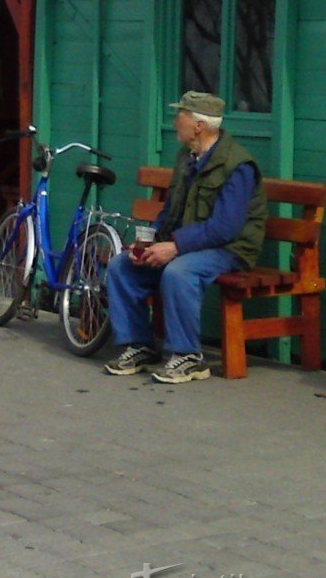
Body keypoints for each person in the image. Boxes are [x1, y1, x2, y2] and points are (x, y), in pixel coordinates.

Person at [103, 91, 268, 384]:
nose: (175, 120)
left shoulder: (238, 165)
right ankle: (139, 344)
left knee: (179, 272)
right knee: (122, 266)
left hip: (229, 249)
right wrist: (149, 243)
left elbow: (225, 228)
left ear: (199, 126)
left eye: (180, 114)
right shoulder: (187, 157)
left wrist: (176, 246)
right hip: (191, 244)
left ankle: (189, 357)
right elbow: (171, 208)